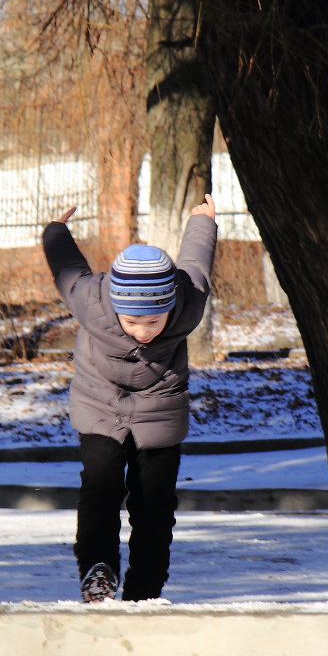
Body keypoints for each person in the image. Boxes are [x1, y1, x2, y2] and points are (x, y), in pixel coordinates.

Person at [42, 194, 217, 602]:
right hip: (100, 405)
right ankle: (98, 571)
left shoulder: (188, 300)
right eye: (132, 321)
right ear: (115, 308)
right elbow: (66, 267)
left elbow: (195, 262)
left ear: (170, 306)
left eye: (153, 321)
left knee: (154, 507)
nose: (143, 331)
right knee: (100, 489)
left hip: (160, 410)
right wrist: (56, 231)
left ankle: (145, 589)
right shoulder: (90, 300)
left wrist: (203, 221)